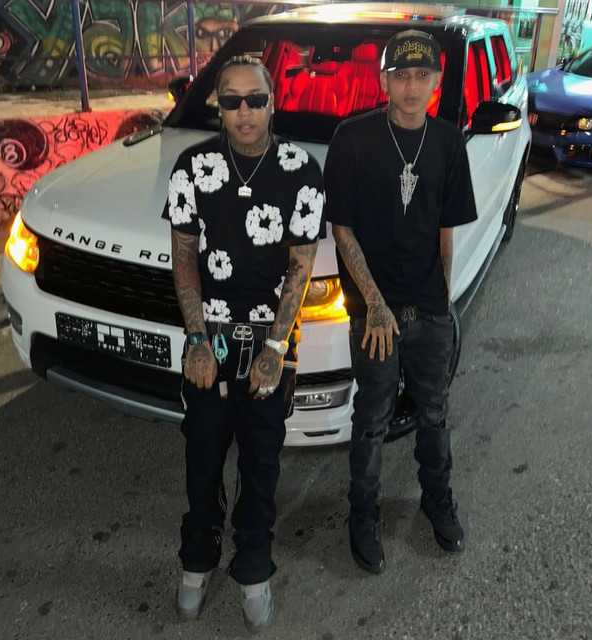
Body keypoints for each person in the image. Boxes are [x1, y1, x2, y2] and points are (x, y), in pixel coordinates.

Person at [165, 55, 324, 630]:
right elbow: (184, 256)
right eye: (231, 100)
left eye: (255, 98)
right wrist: (196, 339)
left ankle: (254, 564)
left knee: (261, 462)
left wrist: (276, 348)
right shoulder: (193, 166)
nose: (244, 110)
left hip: (268, 339)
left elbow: (300, 266)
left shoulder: (301, 170)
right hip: (209, 335)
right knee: (202, 455)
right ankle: (198, 555)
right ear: (219, 106)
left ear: (271, 101)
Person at [323, 30, 478, 574]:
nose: (411, 86)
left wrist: (443, 302)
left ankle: (437, 499)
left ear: (436, 81)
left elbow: (445, 229)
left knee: (435, 414)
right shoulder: (353, 139)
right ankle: (362, 516)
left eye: (422, 75)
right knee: (372, 418)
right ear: (383, 78)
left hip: (428, 307)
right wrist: (375, 303)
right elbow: (341, 229)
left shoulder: (448, 142)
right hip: (374, 310)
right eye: (401, 75)